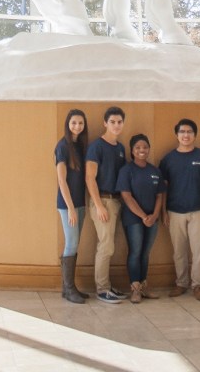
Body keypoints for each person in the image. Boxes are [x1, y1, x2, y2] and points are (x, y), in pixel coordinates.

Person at [160, 118, 200, 301]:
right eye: (182, 132)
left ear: (194, 135)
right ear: (177, 135)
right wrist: (163, 212)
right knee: (179, 251)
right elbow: (163, 188)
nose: (185, 135)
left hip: (199, 210)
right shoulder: (167, 160)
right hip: (174, 211)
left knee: (199, 250)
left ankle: (198, 285)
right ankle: (181, 283)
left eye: (189, 132)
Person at [115, 133, 165, 304]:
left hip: (152, 219)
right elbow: (127, 197)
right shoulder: (126, 170)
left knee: (145, 253)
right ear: (132, 151)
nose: (142, 150)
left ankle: (143, 286)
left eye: (145, 147)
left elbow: (160, 195)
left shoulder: (155, 170)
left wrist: (155, 215)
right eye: (138, 147)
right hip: (134, 219)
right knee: (135, 252)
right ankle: (135, 288)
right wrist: (144, 216)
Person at [85, 105, 127, 303]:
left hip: (116, 201)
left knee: (110, 245)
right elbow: (90, 178)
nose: (116, 125)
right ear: (105, 123)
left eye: (119, 122)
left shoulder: (120, 148)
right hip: (102, 201)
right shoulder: (96, 147)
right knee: (106, 246)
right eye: (112, 122)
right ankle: (102, 289)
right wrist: (99, 205)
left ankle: (108, 286)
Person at [54, 107, 89, 304]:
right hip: (68, 204)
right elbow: (62, 180)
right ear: (68, 124)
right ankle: (68, 288)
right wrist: (70, 208)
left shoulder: (81, 146)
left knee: (75, 243)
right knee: (71, 243)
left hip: (80, 202)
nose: (77, 126)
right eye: (74, 122)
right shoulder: (62, 147)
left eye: (81, 123)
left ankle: (70, 287)